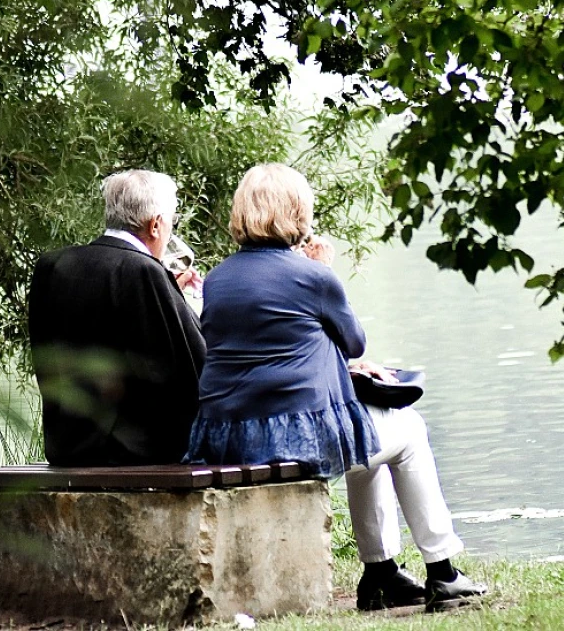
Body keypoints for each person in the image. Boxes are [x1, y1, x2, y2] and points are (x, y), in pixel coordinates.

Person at [184, 163, 487, 612]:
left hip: (227, 435)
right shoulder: (312, 276)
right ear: (297, 212)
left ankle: (381, 573)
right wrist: (323, 270)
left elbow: (274, 342)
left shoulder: (219, 279)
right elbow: (354, 340)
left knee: (372, 443)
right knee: (409, 430)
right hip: (291, 438)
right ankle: (442, 571)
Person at [28, 169, 205, 466]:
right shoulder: (144, 272)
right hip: (134, 452)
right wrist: (189, 306)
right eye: (171, 222)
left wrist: (171, 292)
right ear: (156, 225)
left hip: (66, 446)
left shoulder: (52, 266)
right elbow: (191, 364)